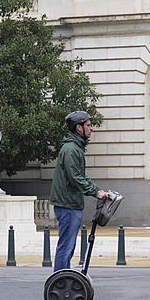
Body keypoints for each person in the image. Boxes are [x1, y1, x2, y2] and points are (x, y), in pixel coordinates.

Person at [50, 111, 108, 271]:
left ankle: (63, 278)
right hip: (67, 204)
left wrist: (97, 189)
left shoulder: (75, 148)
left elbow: (80, 175)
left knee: (68, 246)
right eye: (88, 125)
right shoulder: (71, 149)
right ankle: (60, 281)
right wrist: (95, 192)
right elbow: (75, 177)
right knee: (66, 246)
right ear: (78, 128)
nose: (91, 129)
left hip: (70, 203)